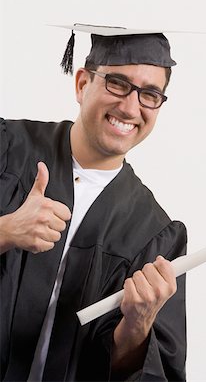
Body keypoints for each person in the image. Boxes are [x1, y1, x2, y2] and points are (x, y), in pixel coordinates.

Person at [0, 25, 187, 381]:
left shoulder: (153, 235)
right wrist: (5, 230)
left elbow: (138, 371)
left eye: (150, 94)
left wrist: (137, 324)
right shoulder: (7, 150)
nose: (131, 107)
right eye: (117, 83)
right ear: (82, 83)